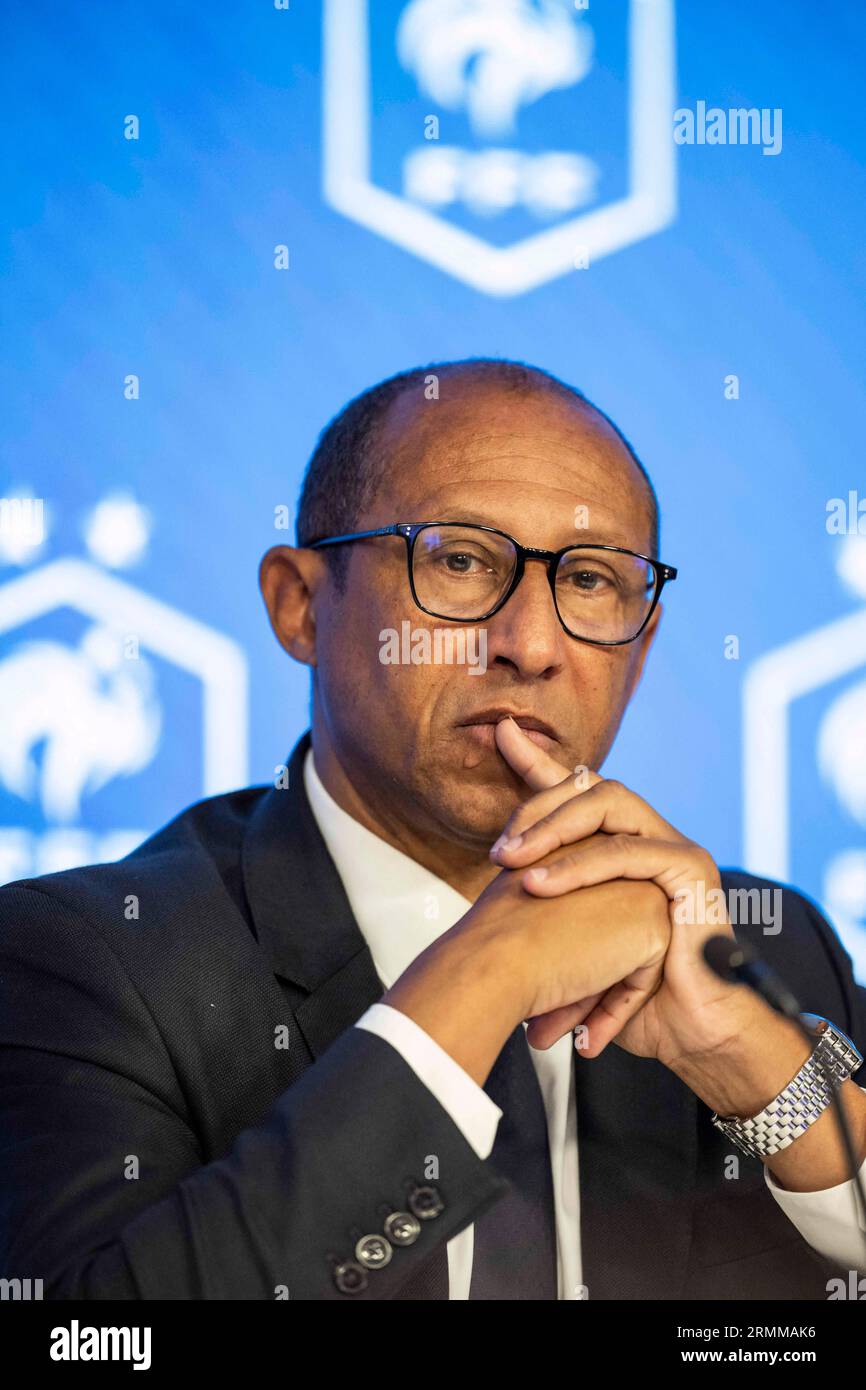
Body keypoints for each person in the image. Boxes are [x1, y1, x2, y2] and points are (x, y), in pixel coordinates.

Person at [1, 358, 864, 1300]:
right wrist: (487, 970)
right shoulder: (85, 958)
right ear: (300, 605)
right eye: (459, 561)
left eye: (589, 581)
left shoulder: (764, 951)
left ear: (642, 646)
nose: (532, 645)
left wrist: (771, 1079)